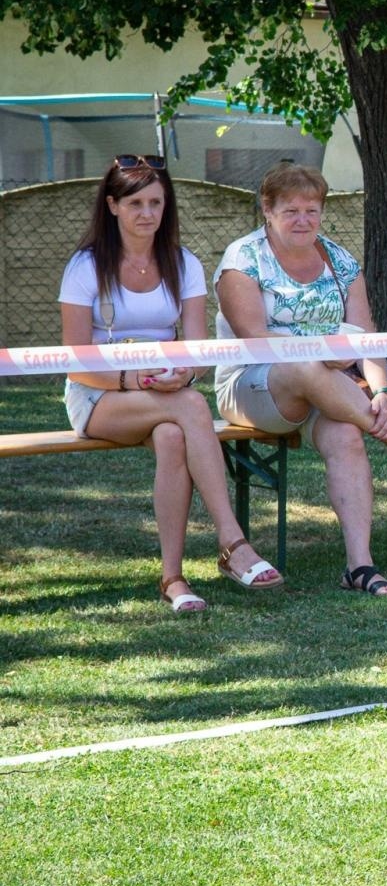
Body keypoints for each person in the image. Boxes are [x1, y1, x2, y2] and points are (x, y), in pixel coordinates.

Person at [214, 162, 387, 596]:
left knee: (346, 433)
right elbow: (253, 336)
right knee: (307, 363)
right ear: (267, 210)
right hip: (253, 384)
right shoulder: (243, 259)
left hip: (332, 389)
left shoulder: (340, 260)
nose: (303, 219)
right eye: (290, 211)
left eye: (311, 210)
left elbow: (365, 338)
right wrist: (321, 353)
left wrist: (381, 391)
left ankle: (359, 566)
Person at [58, 155, 283, 610]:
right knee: (192, 409)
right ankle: (234, 542)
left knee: (171, 436)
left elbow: (197, 349)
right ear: (113, 206)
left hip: (164, 392)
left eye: (156, 202)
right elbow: (74, 362)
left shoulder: (184, 263)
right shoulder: (85, 266)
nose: (147, 213)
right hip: (99, 394)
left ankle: (173, 580)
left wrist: (187, 371)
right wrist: (130, 378)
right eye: (136, 202)